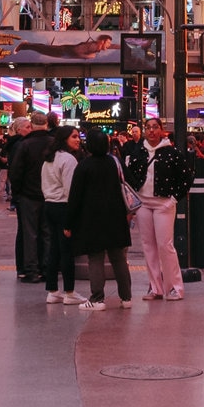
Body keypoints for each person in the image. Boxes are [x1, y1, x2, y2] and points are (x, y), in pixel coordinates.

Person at [71, 126, 135, 308]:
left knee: (96, 258)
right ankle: (126, 298)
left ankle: (97, 299)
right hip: (117, 217)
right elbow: (130, 182)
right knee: (119, 258)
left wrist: (70, 222)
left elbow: (75, 196)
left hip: (92, 218)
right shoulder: (115, 162)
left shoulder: (84, 166)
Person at [134, 125, 194, 300]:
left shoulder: (171, 152)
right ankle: (155, 287)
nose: (151, 130)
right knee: (148, 245)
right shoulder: (139, 151)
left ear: (161, 130)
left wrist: (174, 199)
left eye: (155, 127)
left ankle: (175, 287)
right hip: (143, 203)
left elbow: (187, 177)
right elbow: (131, 176)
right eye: (148, 127)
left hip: (164, 204)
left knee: (165, 245)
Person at [6, 111, 53, 283]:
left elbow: (16, 172)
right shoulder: (54, 143)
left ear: (32, 125)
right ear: (46, 124)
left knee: (30, 234)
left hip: (28, 195)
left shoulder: (25, 145)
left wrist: (17, 193)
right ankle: (48, 269)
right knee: (47, 233)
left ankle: (32, 270)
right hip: (49, 195)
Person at [40, 125, 80, 304]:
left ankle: (52, 290)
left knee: (54, 249)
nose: (78, 140)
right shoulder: (68, 159)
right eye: (74, 136)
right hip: (64, 207)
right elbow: (71, 189)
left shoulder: (49, 158)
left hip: (49, 205)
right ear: (65, 139)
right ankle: (70, 292)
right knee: (67, 250)